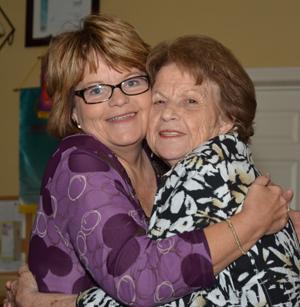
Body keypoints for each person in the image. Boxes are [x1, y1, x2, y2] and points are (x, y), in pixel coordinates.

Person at [3, 15, 293, 307]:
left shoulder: (164, 160)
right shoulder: (79, 163)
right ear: (73, 112)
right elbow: (141, 280)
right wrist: (251, 223)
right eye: (96, 90)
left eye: (131, 81)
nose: (118, 99)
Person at [144, 35, 300, 306]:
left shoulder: (202, 175)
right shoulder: (234, 169)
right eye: (159, 101)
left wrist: (67, 301)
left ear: (227, 119)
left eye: (190, 101)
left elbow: (150, 287)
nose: (168, 113)